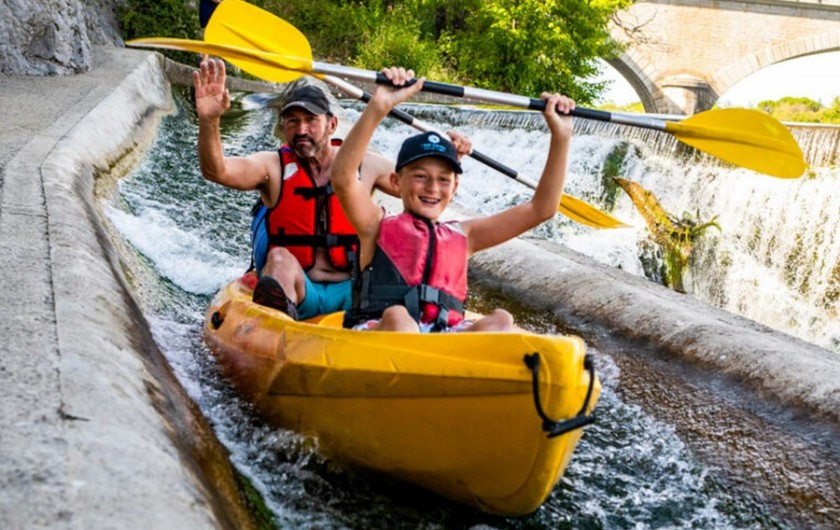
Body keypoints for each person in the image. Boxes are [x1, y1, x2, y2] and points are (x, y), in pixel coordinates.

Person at [192, 58, 471, 320]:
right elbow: (217, 171)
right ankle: (278, 332)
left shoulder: (366, 165)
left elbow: (421, 191)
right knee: (278, 258)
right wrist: (210, 121)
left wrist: (446, 159)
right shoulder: (272, 167)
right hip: (300, 289)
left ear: (332, 124)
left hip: (356, 292)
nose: (302, 129)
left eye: (311, 120)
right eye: (293, 121)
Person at [332, 67, 575, 333]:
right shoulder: (373, 225)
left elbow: (541, 209)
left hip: (444, 338)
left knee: (502, 320)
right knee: (399, 318)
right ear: (396, 182)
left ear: (455, 187)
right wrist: (378, 107)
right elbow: (343, 178)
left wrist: (561, 137)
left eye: (443, 179)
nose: (433, 187)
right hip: (382, 331)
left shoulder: (466, 235)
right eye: (421, 176)